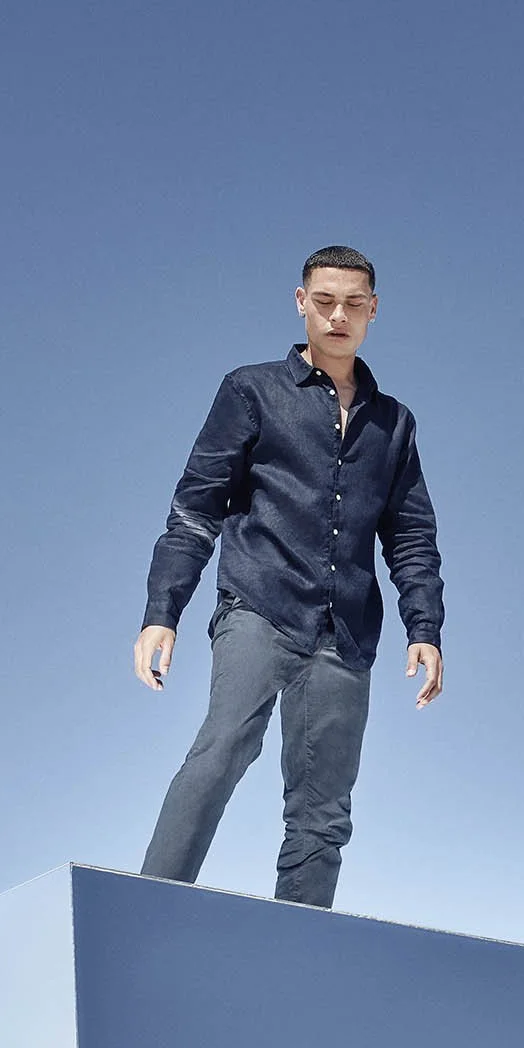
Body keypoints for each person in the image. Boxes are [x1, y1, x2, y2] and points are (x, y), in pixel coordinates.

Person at [132, 245, 445, 908]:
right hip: (260, 605)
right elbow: (196, 507)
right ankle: (149, 908)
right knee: (223, 750)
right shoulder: (251, 390)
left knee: (323, 812)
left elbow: (411, 535)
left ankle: (295, 945)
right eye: (324, 301)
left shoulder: (394, 424)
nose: (338, 316)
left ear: (373, 310)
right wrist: (163, 611)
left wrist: (425, 626)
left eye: (353, 304)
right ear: (301, 302)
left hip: (346, 633)